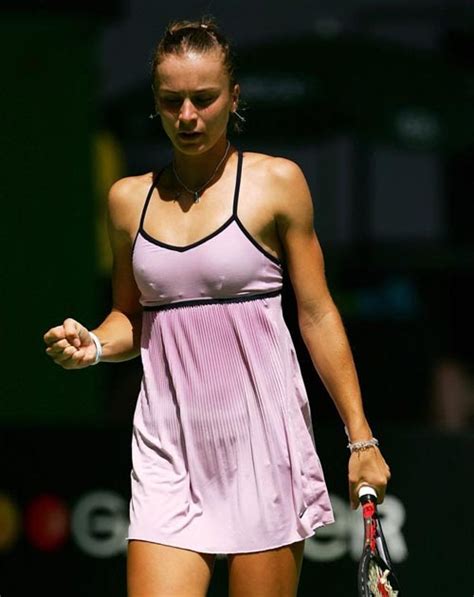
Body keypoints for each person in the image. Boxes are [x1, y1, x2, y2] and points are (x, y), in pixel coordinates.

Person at [43, 17, 391, 597]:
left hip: (264, 453)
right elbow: (131, 317)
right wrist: (96, 344)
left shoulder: (278, 183)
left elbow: (318, 314)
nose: (187, 116)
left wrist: (361, 437)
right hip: (167, 453)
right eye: (171, 101)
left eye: (203, 99)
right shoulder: (127, 201)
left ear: (234, 97)